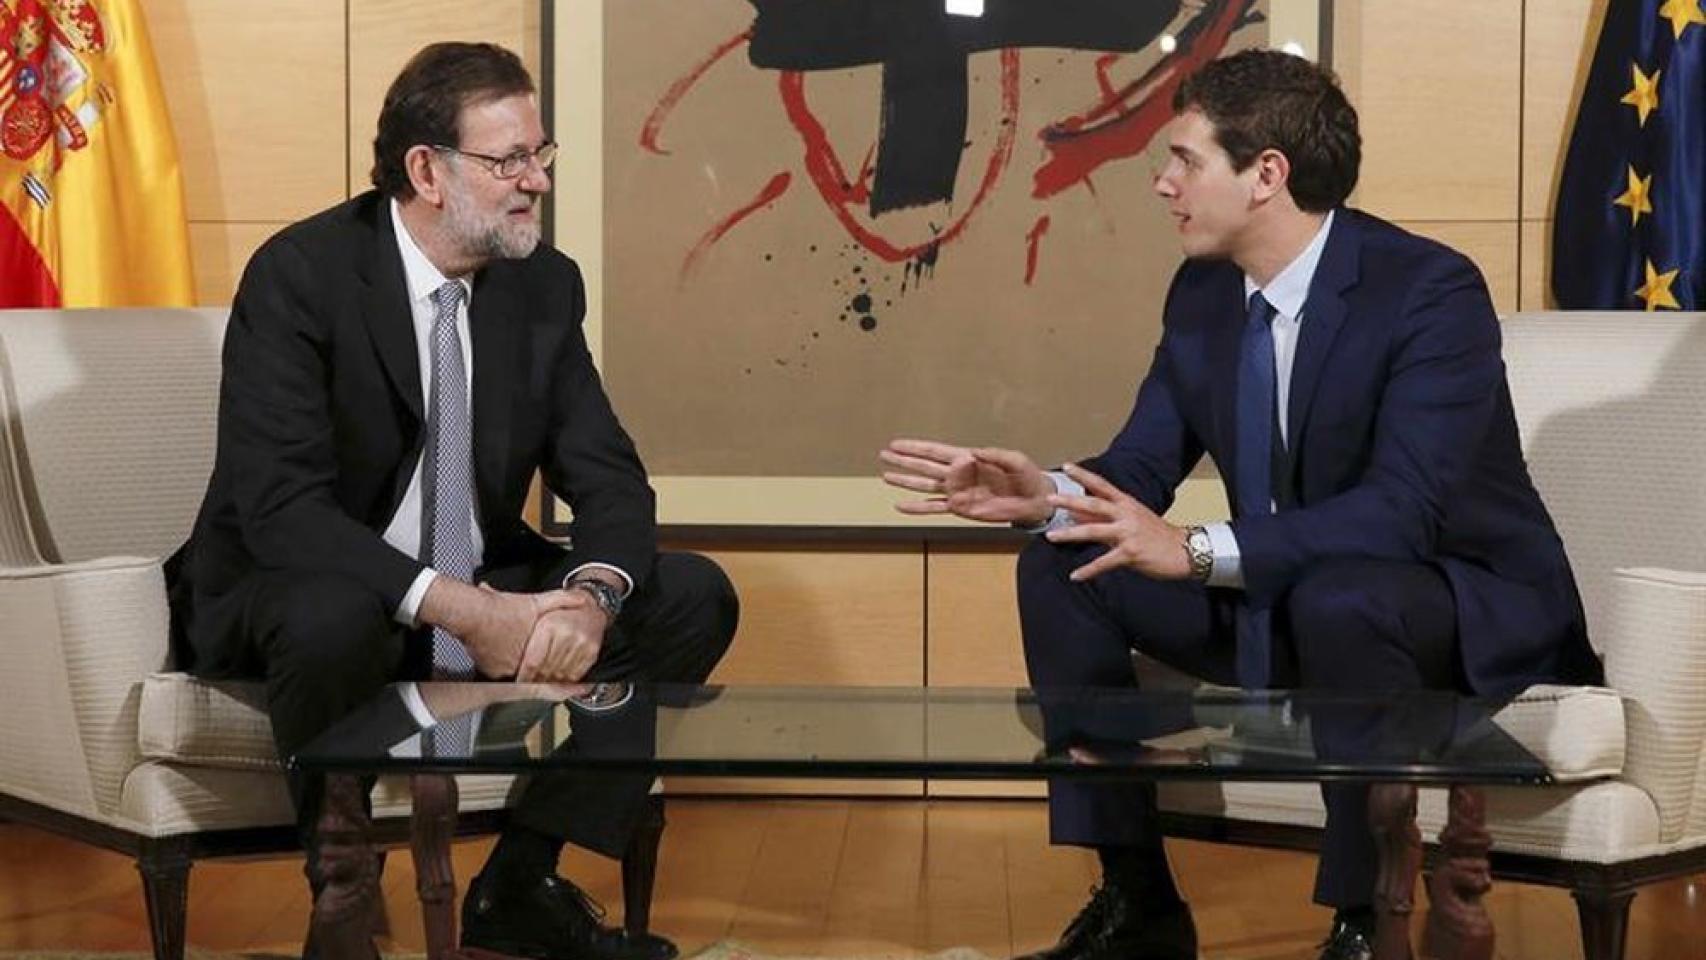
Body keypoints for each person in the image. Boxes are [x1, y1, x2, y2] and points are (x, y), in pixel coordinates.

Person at [881, 48, 1600, 960]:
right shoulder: (1203, 293)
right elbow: (1143, 461)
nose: (1161, 183)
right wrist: (1047, 496)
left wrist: (1193, 550)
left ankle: (1361, 920)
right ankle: (1138, 903)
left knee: (1343, 591)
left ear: (1267, 174)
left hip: (1444, 600)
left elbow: (1403, 512)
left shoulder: (1428, 289)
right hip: (1292, 592)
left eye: (1183, 159)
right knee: (1066, 565)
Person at [165, 41, 737, 960]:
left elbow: (610, 477)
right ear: (427, 170)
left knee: (694, 594)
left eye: (540, 154)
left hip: (478, 576)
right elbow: (282, 510)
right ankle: (343, 889)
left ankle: (518, 885)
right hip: (311, 587)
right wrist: (467, 611)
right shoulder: (302, 274)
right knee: (332, 608)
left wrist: (591, 599)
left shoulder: (542, 286)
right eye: (509, 160)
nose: (535, 181)